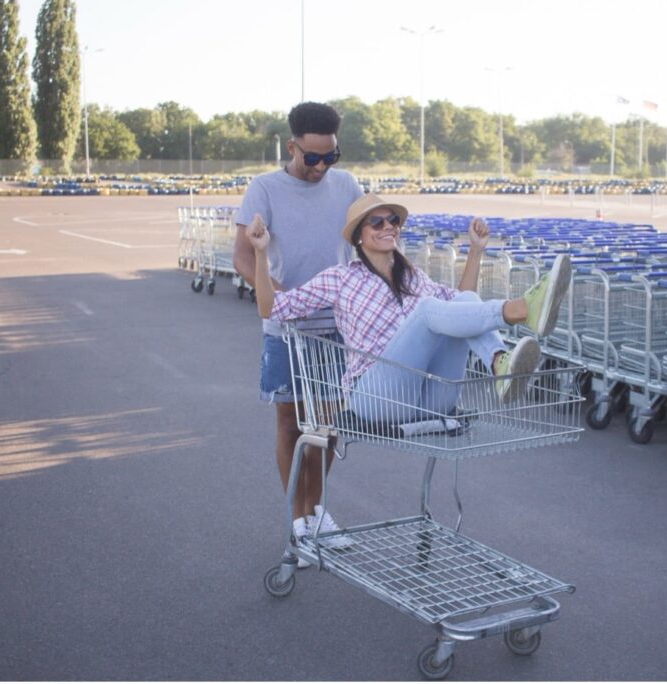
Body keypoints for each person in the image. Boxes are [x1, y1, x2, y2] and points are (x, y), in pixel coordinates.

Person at [245, 193, 573, 434]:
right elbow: (273, 307)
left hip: (427, 397)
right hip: (374, 397)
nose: (388, 227)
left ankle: (499, 362)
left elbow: (462, 304)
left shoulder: (413, 277)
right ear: (359, 235)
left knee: (463, 301)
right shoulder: (341, 278)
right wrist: (260, 254)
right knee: (431, 311)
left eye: (393, 221)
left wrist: (475, 250)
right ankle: (523, 309)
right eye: (377, 222)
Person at [233, 102, 362, 564]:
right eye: (312, 158)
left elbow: (368, 243)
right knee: (291, 424)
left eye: (331, 156)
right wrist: (286, 296)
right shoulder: (263, 189)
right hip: (286, 327)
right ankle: (298, 521)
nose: (322, 167)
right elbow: (243, 259)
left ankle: (317, 511)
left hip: (335, 327)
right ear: (292, 147)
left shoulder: (346, 185)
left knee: (326, 427)